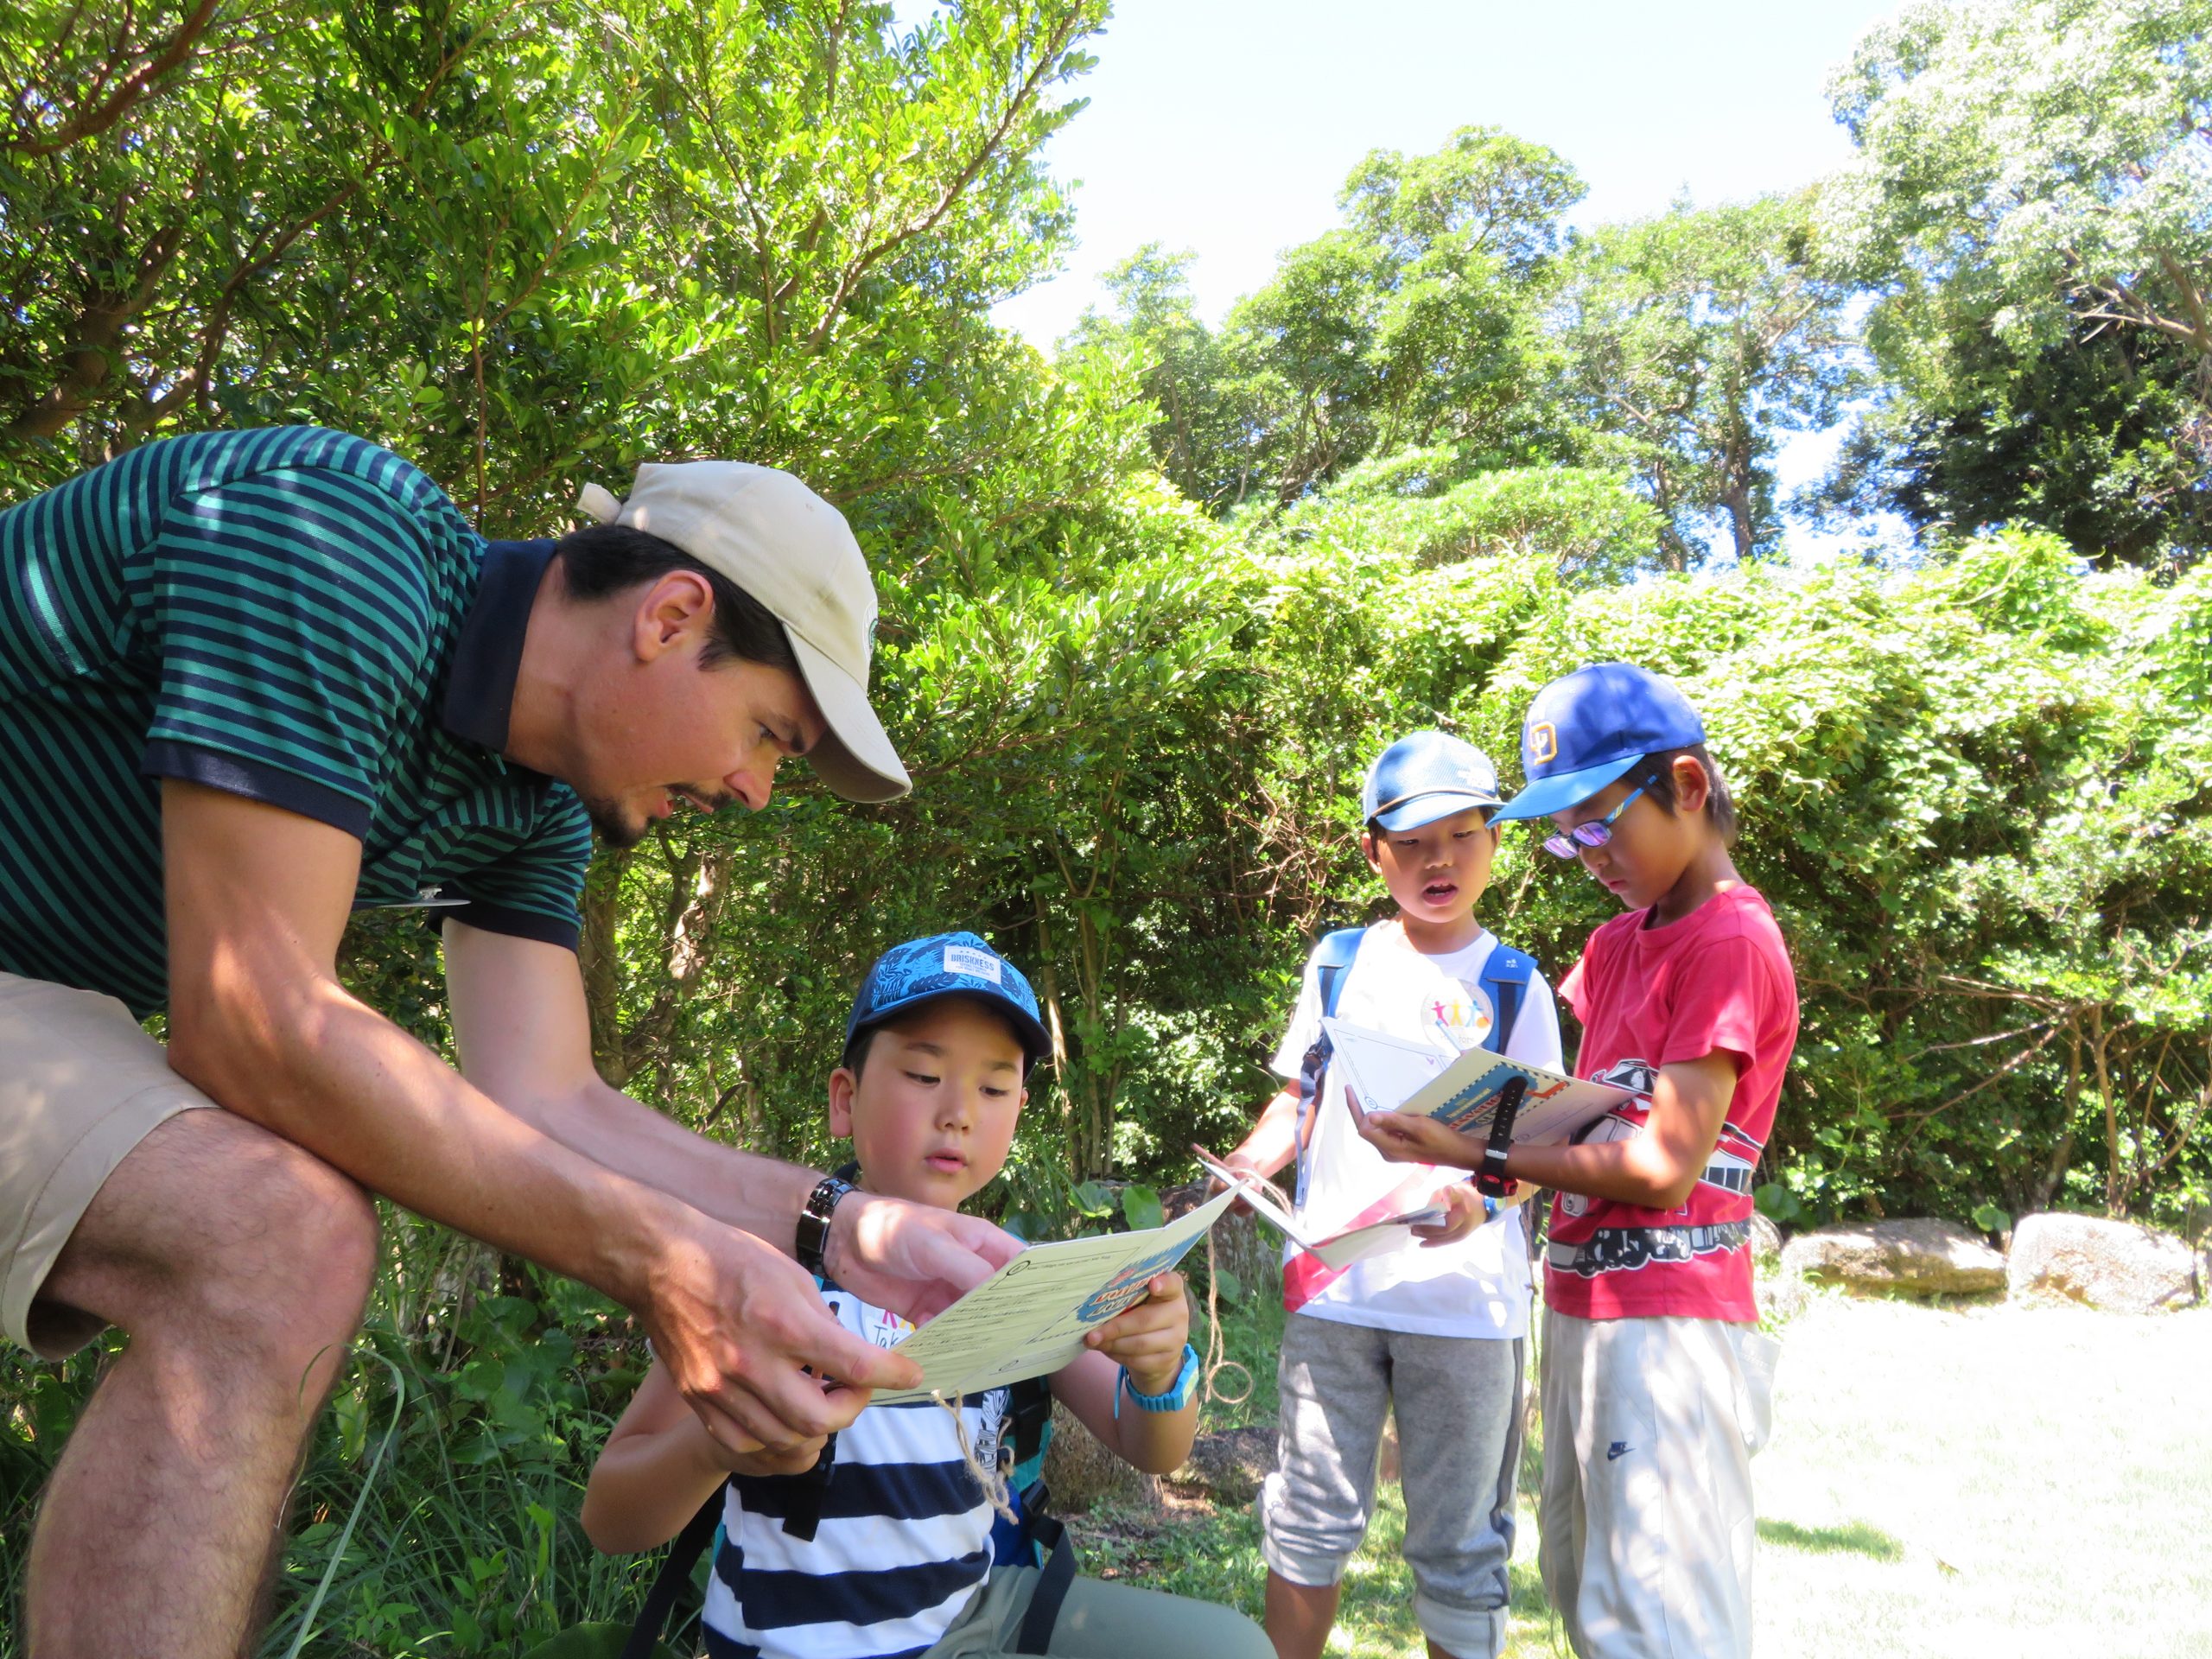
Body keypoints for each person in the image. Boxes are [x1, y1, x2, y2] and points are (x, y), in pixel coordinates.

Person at [0, 427, 1024, 1658]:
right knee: (274, 1231)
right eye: (770, 735)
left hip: (39, 1004)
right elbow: (254, 1020)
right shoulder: (334, 543)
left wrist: (842, 1225)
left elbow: (550, 1100)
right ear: (670, 616)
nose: (757, 791)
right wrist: (664, 1262)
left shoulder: (531, 817)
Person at [583, 931, 1274, 1659]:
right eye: (922, 1074)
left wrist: (1161, 1370)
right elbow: (611, 1518)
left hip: (974, 1618)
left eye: (994, 1086)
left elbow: (1150, 1447)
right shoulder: (760, 1276)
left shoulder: (1019, 1283)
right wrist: (716, 1442)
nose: (959, 1112)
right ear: (844, 1099)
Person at [1357, 664, 1798, 1659]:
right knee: (1582, 1587)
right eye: (1563, 836)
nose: (1585, 857)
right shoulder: (1612, 948)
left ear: (1686, 787)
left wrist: (1478, 1144)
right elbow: (1588, 1122)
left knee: (1655, 1618)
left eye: (1599, 825)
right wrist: (1477, 1164)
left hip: (1672, 1325)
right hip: (1580, 1308)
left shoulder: (1730, 941)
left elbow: (1662, 1167)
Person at [1216, 731, 1565, 1659]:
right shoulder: (1337, 961)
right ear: (1373, 851)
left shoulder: (1514, 984)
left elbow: (1537, 1150)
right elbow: (1299, 1097)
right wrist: (1247, 1166)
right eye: (1410, 841)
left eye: (1460, 834)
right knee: (1307, 1518)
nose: (1436, 860)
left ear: (1496, 843)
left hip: (1466, 1310)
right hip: (1334, 1292)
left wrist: (1478, 1205)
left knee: (1457, 1547)